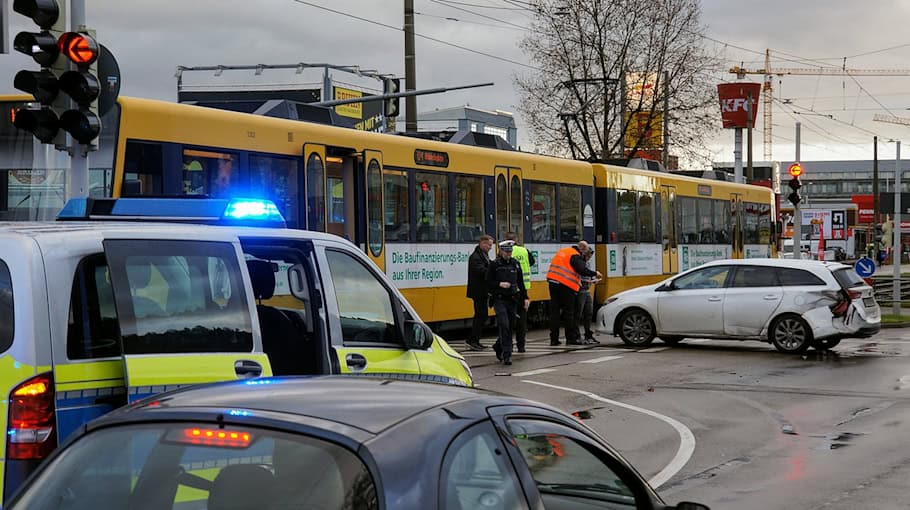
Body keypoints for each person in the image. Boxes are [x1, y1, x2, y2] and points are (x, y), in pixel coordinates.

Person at [547, 240, 601, 346]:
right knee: (569, 312)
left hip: (552, 283)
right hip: (565, 285)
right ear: (582, 249)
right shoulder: (575, 255)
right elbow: (581, 270)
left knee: (555, 312)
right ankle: (571, 338)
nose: (584, 255)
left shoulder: (563, 251)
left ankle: (554, 339)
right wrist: (595, 273)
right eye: (584, 253)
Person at [487, 240, 528, 365]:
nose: (508, 254)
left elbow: (521, 282)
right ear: (500, 251)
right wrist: (499, 284)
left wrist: (526, 298)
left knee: (510, 327)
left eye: (510, 251)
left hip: (512, 299)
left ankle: (498, 346)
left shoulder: (515, 264)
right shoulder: (494, 265)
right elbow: (487, 282)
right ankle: (507, 355)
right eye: (506, 251)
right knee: (504, 325)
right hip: (499, 299)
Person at [504, 232, 535, 353]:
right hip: (523, 289)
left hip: (509, 289)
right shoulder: (524, 250)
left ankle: (509, 344)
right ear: (516, 239)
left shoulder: (504, 252)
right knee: (522, 319)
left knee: (509, 318)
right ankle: (521, 346)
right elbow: (531, 262)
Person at [465, 234, 494, 350]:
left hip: (482, 291)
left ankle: (475, 339)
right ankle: (473, 339)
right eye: (489, 245)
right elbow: (481, 271)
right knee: (480, 315)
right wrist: (492, 271)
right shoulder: (475, 257)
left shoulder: (483, 255)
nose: (490, 247)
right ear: (482, 243)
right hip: (478, 291)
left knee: (482, 315)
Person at [575, 245, 600, 344]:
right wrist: (593, 275)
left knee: (589, 313)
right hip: (580, 289)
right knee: (578, 313)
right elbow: (581, 273)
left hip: (587, 289)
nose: (589, 258)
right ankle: (577, 336)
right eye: (588, 256)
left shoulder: (587, 263)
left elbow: (586, 275)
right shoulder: (579, 263)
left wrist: (592, 280)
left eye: (590, 256)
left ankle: (588, 335)